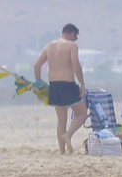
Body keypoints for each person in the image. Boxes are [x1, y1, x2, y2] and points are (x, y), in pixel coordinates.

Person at [33, 24, 86, 152]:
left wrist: (38, 82)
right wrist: (82, 84)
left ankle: (62, 151)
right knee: (82, 113)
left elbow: (37, 66)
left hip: (54, 85)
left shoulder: (49, 46)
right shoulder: (72, 45)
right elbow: (76, 65)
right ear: (72, 34)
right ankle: (68, 135)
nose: (75, 39)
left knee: (61, 120)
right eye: (75, 37)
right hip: (67, 84)